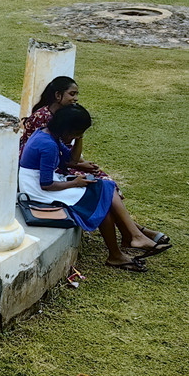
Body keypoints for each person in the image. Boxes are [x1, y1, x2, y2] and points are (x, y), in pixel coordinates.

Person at [19, 105, 169, 271]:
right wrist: (75, 183)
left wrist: (79, 138)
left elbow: (73, 160)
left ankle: (122, 248)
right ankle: (131, 238)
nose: (78, 136)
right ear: (66, 129)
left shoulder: (49, 134)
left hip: (47, 182)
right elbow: (45, 184)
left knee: (104, 195)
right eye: (77, 132)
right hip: (39, 190)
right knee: (105, 189)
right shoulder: (48, 144)